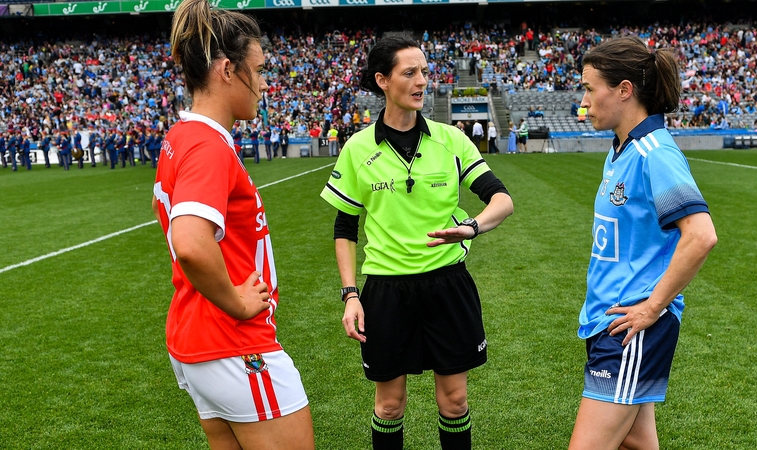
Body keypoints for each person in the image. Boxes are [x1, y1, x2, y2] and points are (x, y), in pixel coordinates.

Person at [320, 34, 514, 450]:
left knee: (455, 401)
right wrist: (351, 295)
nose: (422, 80)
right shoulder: (356, 149)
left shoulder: (452, 140)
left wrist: (473, 227)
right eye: (409, 72)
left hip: (448, 284)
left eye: (424, 71)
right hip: (387, 291)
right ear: (382, 80)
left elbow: (501, 199)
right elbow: (344, 229)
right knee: (389, 405)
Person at [150, 1, 314, 448]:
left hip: (198, 338)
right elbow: (189, 242)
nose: (263, 84)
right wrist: (239, 303)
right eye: (258, 71)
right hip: (234, 342)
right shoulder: (207, 146)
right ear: (227, 70)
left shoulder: (181, 136)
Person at [569, 36, 717, 450]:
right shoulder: (621, 149)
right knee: (637, 442)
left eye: (588, 87)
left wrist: (653, 307)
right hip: (608, 319)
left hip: (630, 328)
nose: (584, 99)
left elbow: (701, 235)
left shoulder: (655, 153)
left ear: (623, 90)